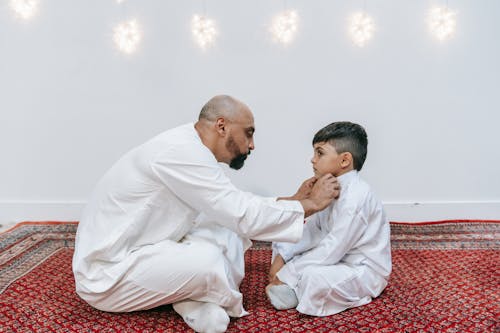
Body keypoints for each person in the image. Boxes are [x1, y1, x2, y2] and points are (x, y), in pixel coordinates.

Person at [72, 95, 340, 333]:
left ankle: (197, 299)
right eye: (248, 133)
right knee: (209, 260)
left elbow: (230, 205)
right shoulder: (180, 152)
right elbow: (240, 212)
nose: (252, 145)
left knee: (226, 228)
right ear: (222, 126)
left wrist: (291, 201)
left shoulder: (190, 147)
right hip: (108, 273)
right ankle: (202, 295)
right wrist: (310, 205)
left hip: (150, 248)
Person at [266, 121, 392, 317]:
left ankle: (295, 290)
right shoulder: (329, 186)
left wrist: (288, 273)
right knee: (284, 236)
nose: (312, 159)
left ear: (344, 160)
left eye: (320, 153)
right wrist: (283, 259)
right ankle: (291, 286)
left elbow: (335, 247)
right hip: (335, 257)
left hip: (360, 269)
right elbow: (314, 230)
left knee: (313, 277)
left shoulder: (356, 197)